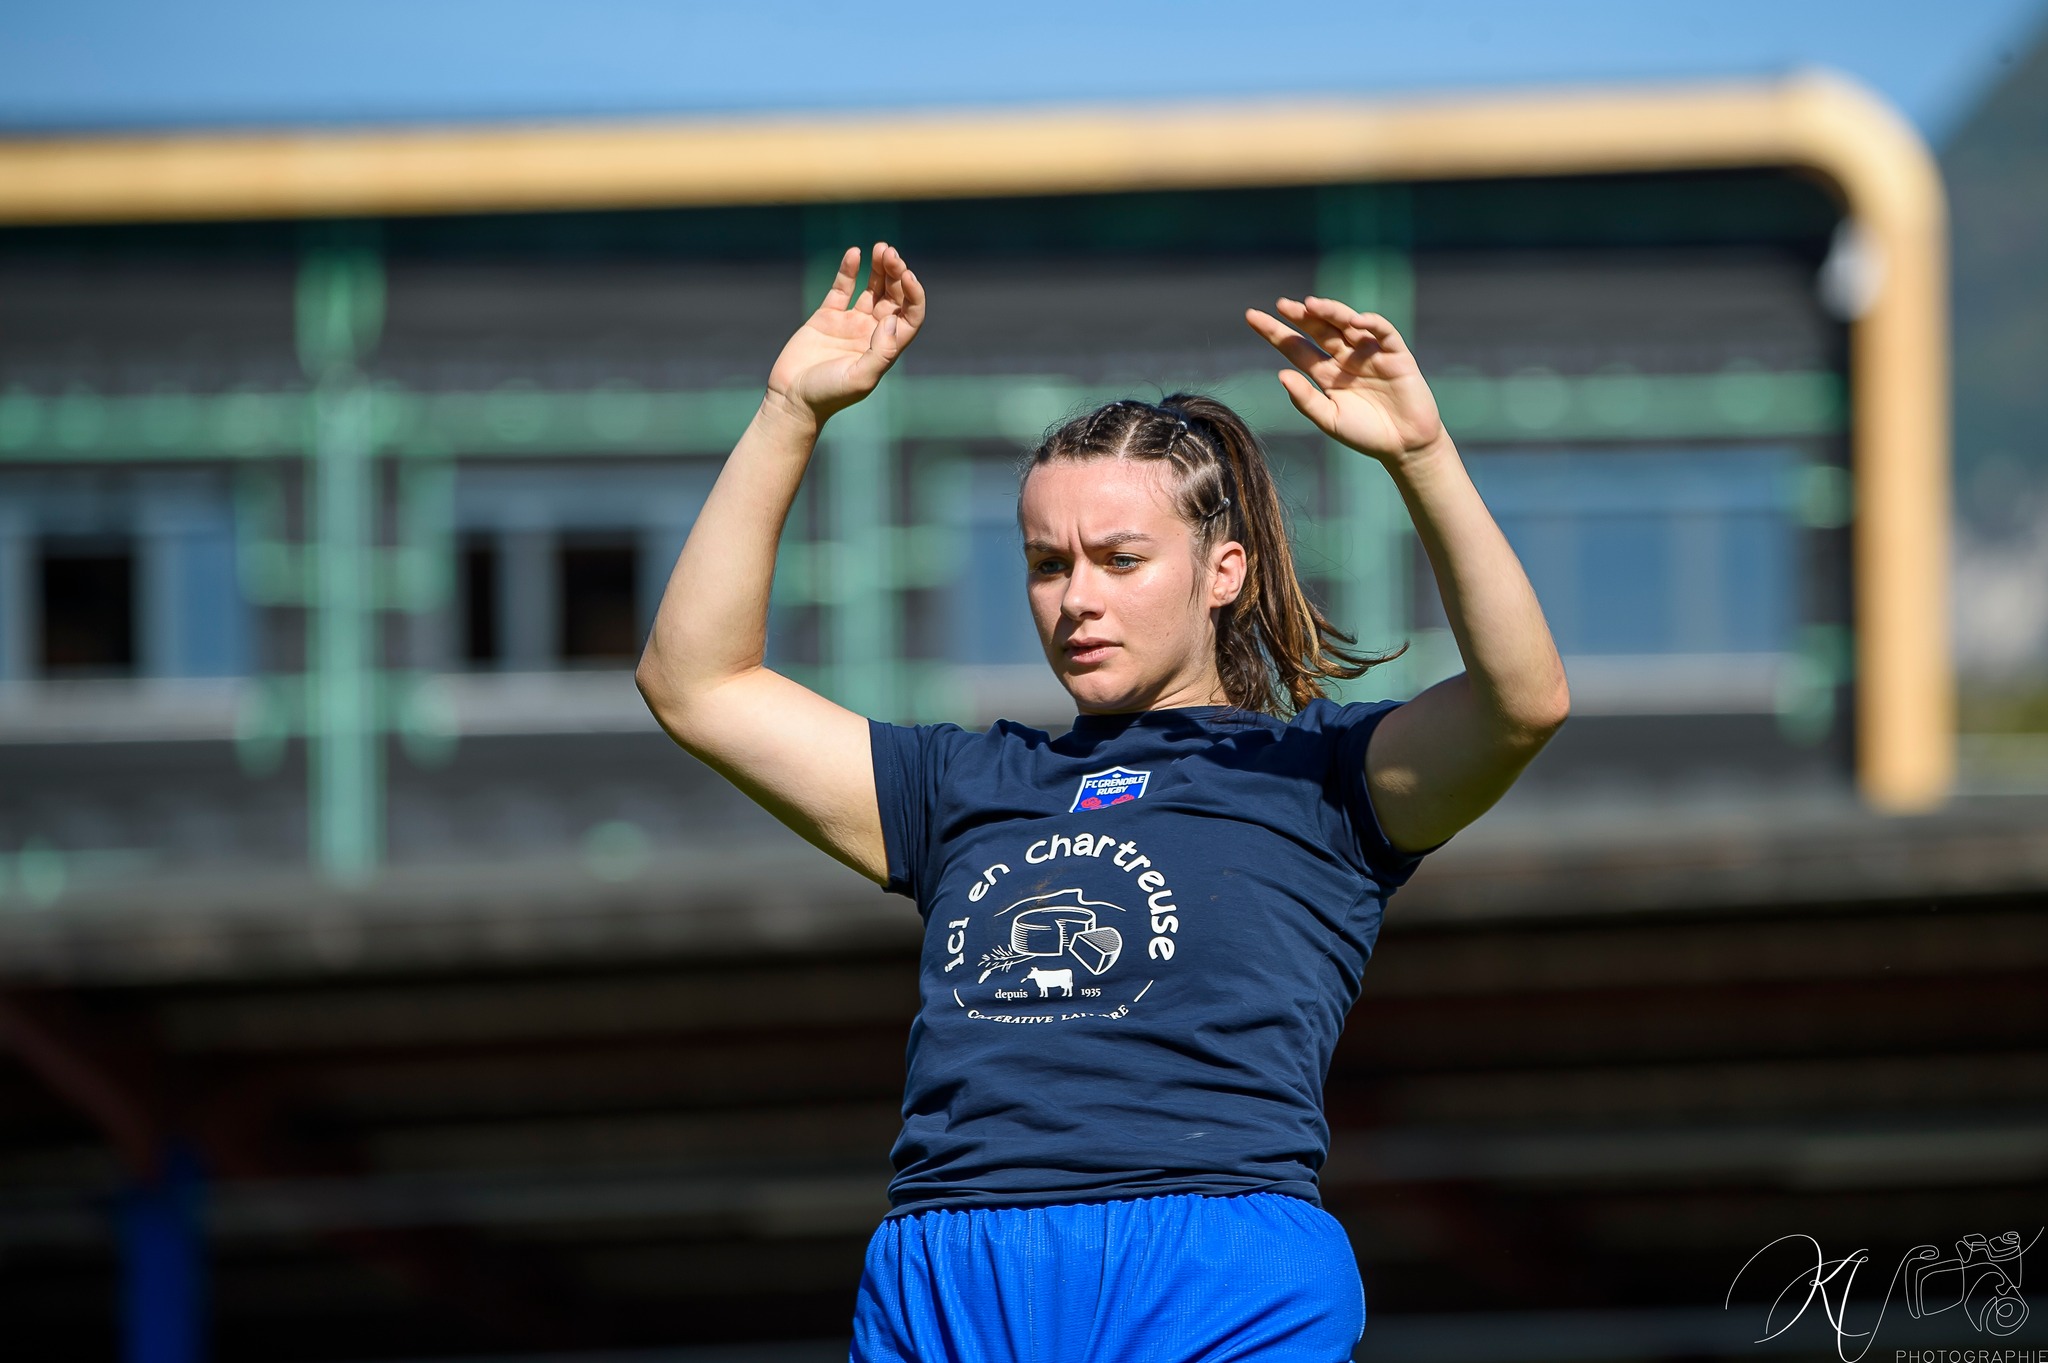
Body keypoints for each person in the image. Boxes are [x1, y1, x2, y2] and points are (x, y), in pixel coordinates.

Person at [636, 242, 1569, 1362]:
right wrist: (790, 410)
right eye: (1046, 562)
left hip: (1213, 1262)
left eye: (1120, 559)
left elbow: (1521, 702)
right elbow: (695, 684)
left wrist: (1420, 456)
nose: (1075, 598)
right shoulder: (958, 787)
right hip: (950, 1266)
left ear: (1220, 570)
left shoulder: (1322, 778)